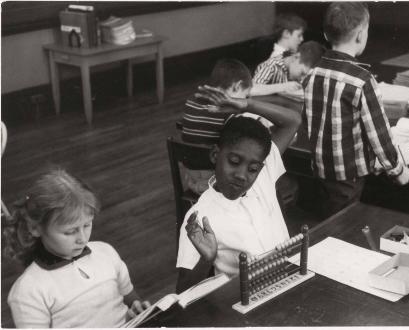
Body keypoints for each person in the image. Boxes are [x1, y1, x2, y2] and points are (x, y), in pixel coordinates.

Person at [176, 85, 301, 292]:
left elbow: (293, 120)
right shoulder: (199, 217)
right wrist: (207, 260)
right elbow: (182, 292)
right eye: (234, 161)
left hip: (291, 281)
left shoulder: (263, 176)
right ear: (216, 155)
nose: (242, 175)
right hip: (251, 302)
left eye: (252, 168)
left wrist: (247, 105)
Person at [302, 2, 409, 218]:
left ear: (326, 33)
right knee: (343, 227)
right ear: (361, 35)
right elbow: (379, 134)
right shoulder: (361, 81)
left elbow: (310, 124)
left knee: (328, 220)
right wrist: (398, 171)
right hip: (349, 177)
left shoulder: (313, 73)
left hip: (320, 171)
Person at [4, 169, 150, 328]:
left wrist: (138, 308)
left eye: (87, 225)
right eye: (70, 231)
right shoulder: (29, 291)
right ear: (35, 228)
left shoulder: (106, 253)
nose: (82, 238)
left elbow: (130, 297)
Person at [181, 59, 253, 194]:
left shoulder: (190, 102)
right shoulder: (229, 113)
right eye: (245, 96)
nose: (244, 101)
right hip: (214, 184)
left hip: (190, 178)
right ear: (237, 86)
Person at [250, 41, 326, 97]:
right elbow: (251, 89)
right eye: (302, 73)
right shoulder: (272, 66)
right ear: (296, 57)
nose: (302, 80)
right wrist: (283, 86)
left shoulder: (293, 68)